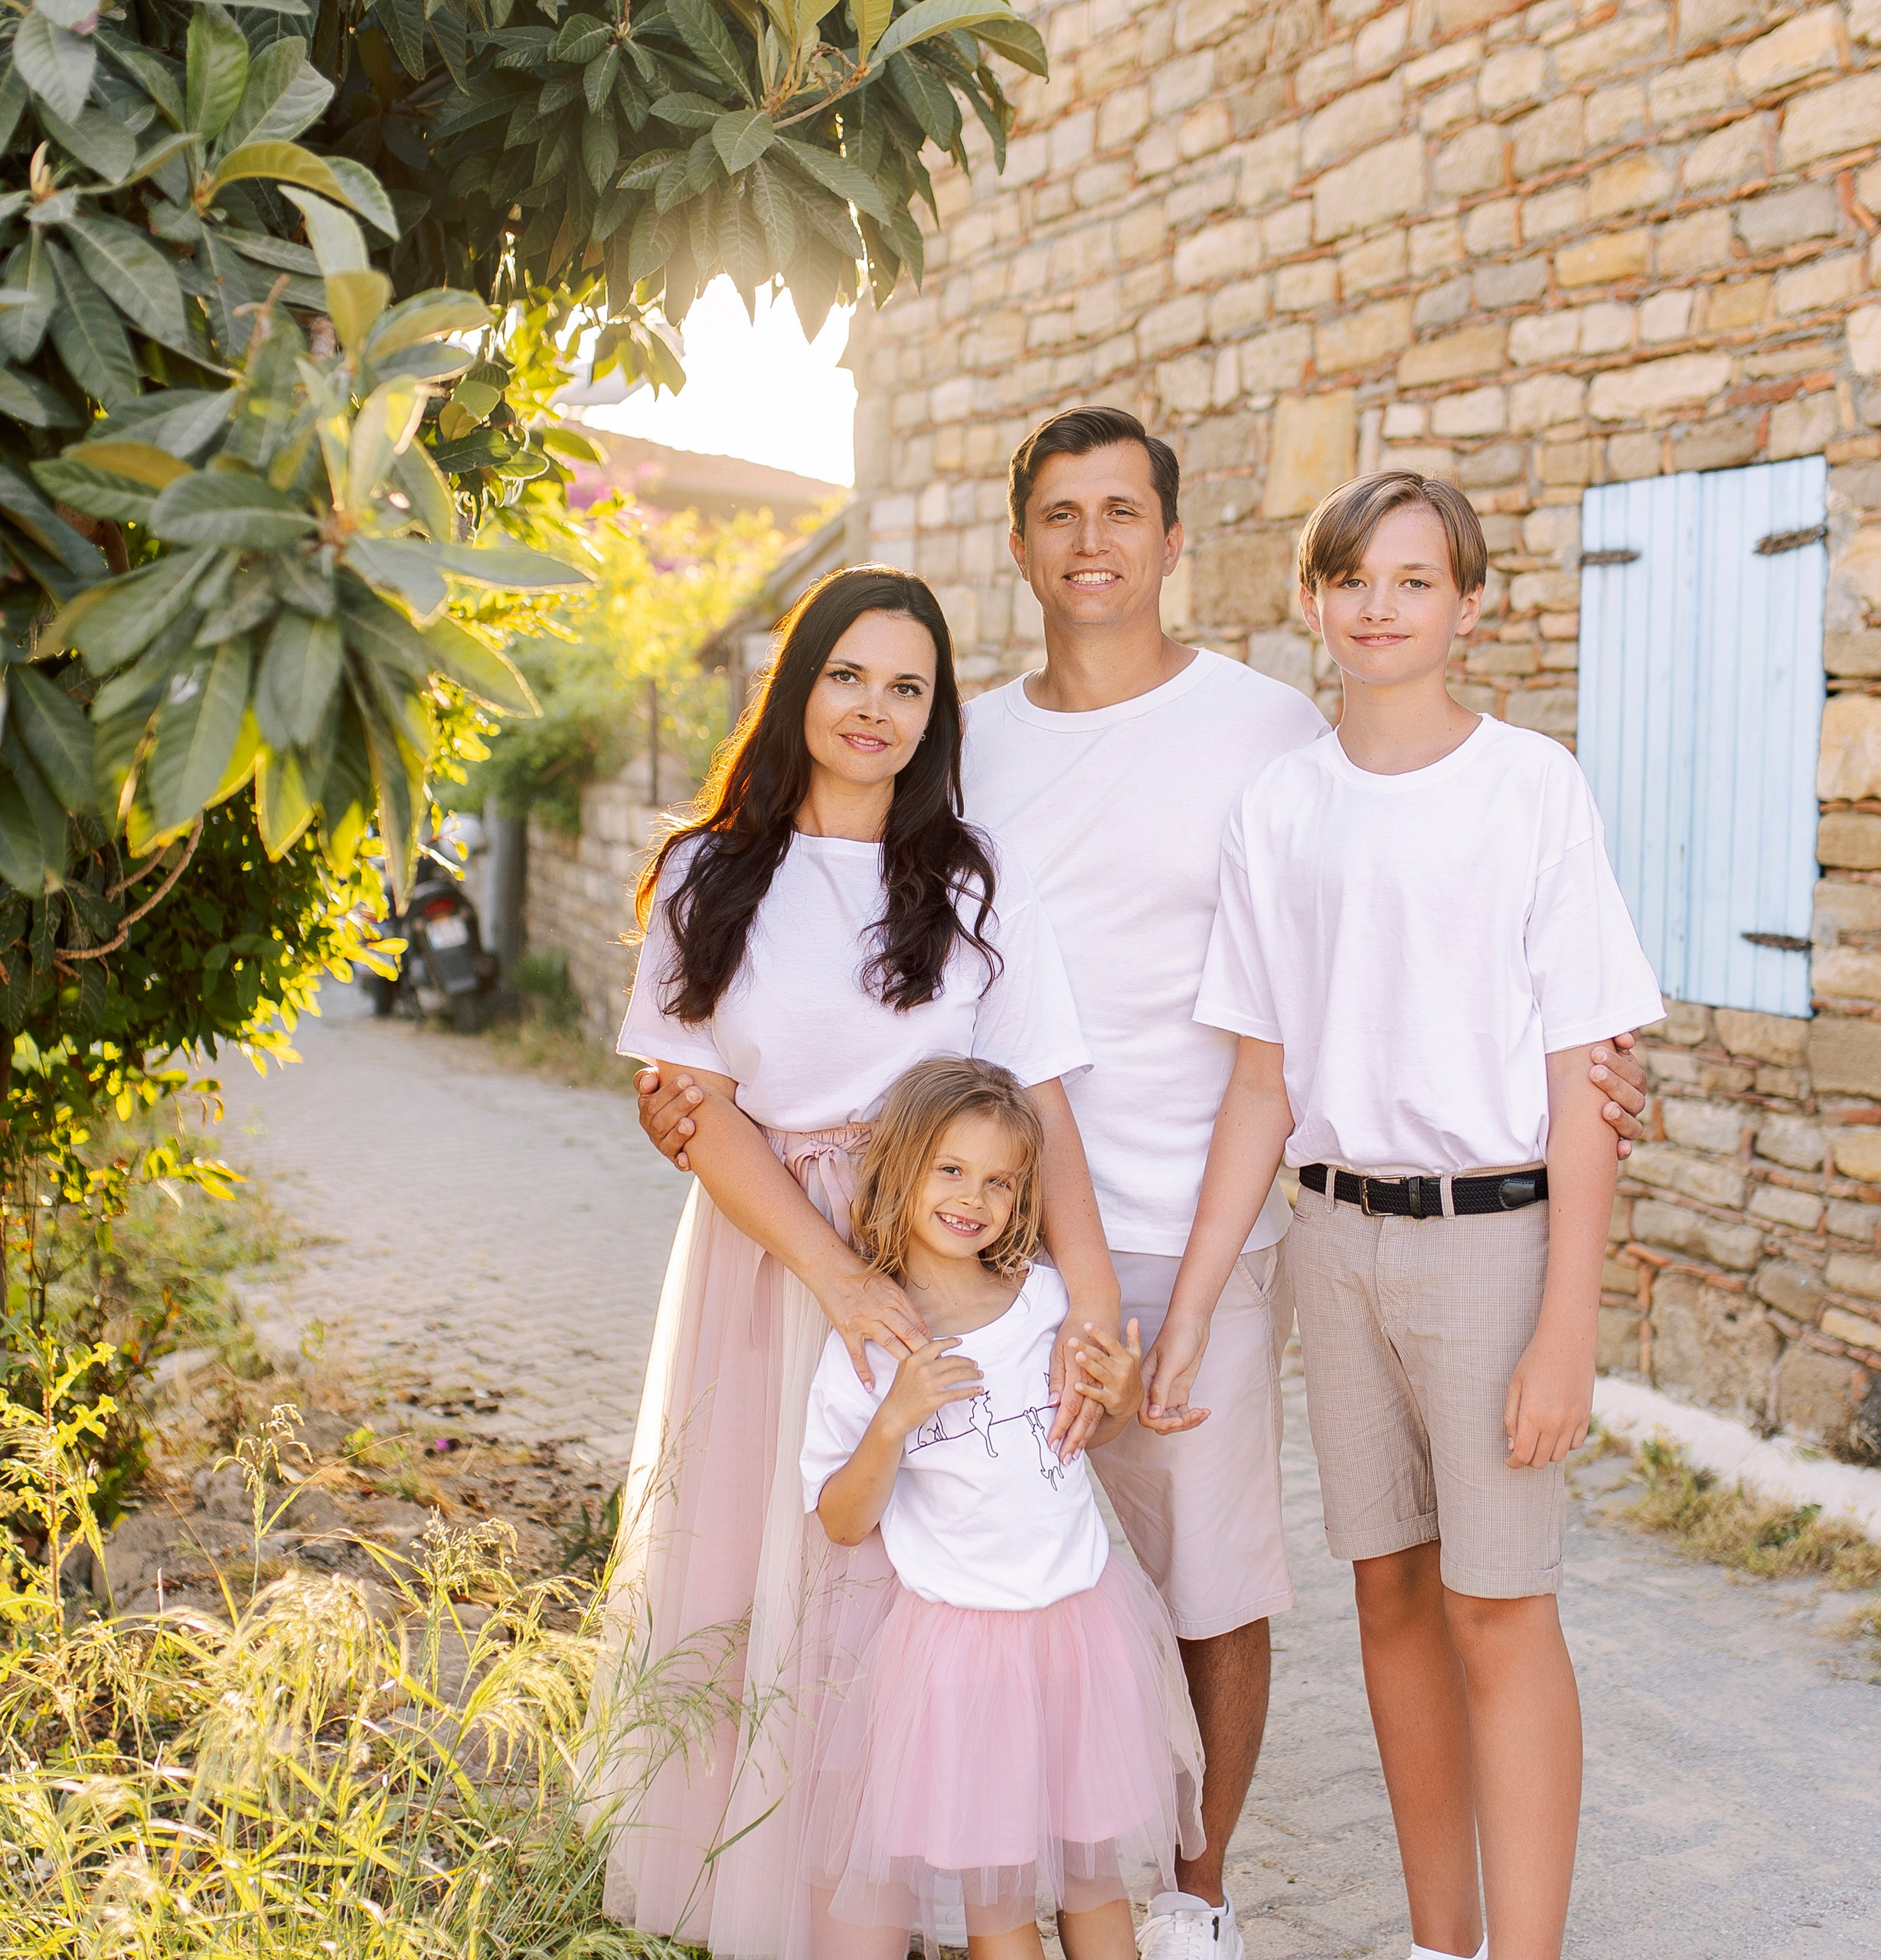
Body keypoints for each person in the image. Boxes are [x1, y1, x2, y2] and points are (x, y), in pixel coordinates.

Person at [637, 409, 1651, 1959]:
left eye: (1122, 511)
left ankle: (1188, 1891)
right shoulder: (964, 750)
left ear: (1174, 542)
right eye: (1059, 512)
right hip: (972, 1234)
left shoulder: (1272, 736)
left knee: (1206, 1586)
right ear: (1021, 541)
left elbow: (1387, 895)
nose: (1091, 539)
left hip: (1203, 1235)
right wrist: (709, 1098)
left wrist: (1576, 1073)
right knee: (954, 1565)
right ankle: (942, 1885)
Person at [1161, 471, 1665, 1960]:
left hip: (1491, 1246)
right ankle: (1436, 1942)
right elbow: (1259, 1080)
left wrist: (1565, 1323)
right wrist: (1189, 1305)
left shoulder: (1527, 786)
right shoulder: (1279, 809)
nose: (1378, 605)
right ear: (1311, 603)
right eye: (1350, 579)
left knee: (1495, 1604)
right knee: (1385, 1592)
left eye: (1412, 578)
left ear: (1467, 603)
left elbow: (1588, 1069)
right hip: (1331, 1240)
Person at [593, 565, 1119, 1960]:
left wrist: (1100, 1314)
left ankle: (917, 1899)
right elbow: (691, 1103)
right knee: (779, 1566)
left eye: (908, 685)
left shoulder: (968, 874)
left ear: (936, 713)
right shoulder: (711, 873)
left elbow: (1046, 1096)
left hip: (943, 1254)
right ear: (800, 686)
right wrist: (834, 1276)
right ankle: (784, 1905)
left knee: (921, 1588)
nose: (874, 709)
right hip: (774, 1264)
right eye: (848, 676)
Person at [799, 1057, 1203, 1959]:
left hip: (1080, 1632)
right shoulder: (870, 1350)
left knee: (1096, 1885)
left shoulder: (1049, 1305)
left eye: (999, 1180)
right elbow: (839, 1518)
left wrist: (1124, 1395)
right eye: (950, 1169)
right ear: (898, 1171)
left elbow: (1085, 1433)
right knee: (1000, 1903)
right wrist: (895, 1422)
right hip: (962, 1661)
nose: (971, 1197)